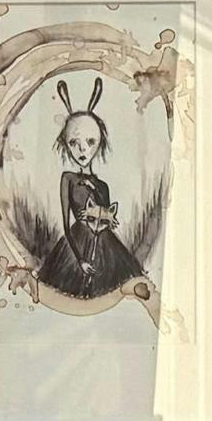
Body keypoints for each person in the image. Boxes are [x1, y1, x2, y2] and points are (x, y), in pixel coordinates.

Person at [36, 79, 149, 302]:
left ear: (99, 143)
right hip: (76, 245)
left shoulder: (102, 185)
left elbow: (105, 214)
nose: (82, 150)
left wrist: (96, 196)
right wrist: (80, 260)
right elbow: (66, 224)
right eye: (73, 143)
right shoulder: (67, 178)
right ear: (66, 144)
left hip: (105, 244)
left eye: (90, 142)